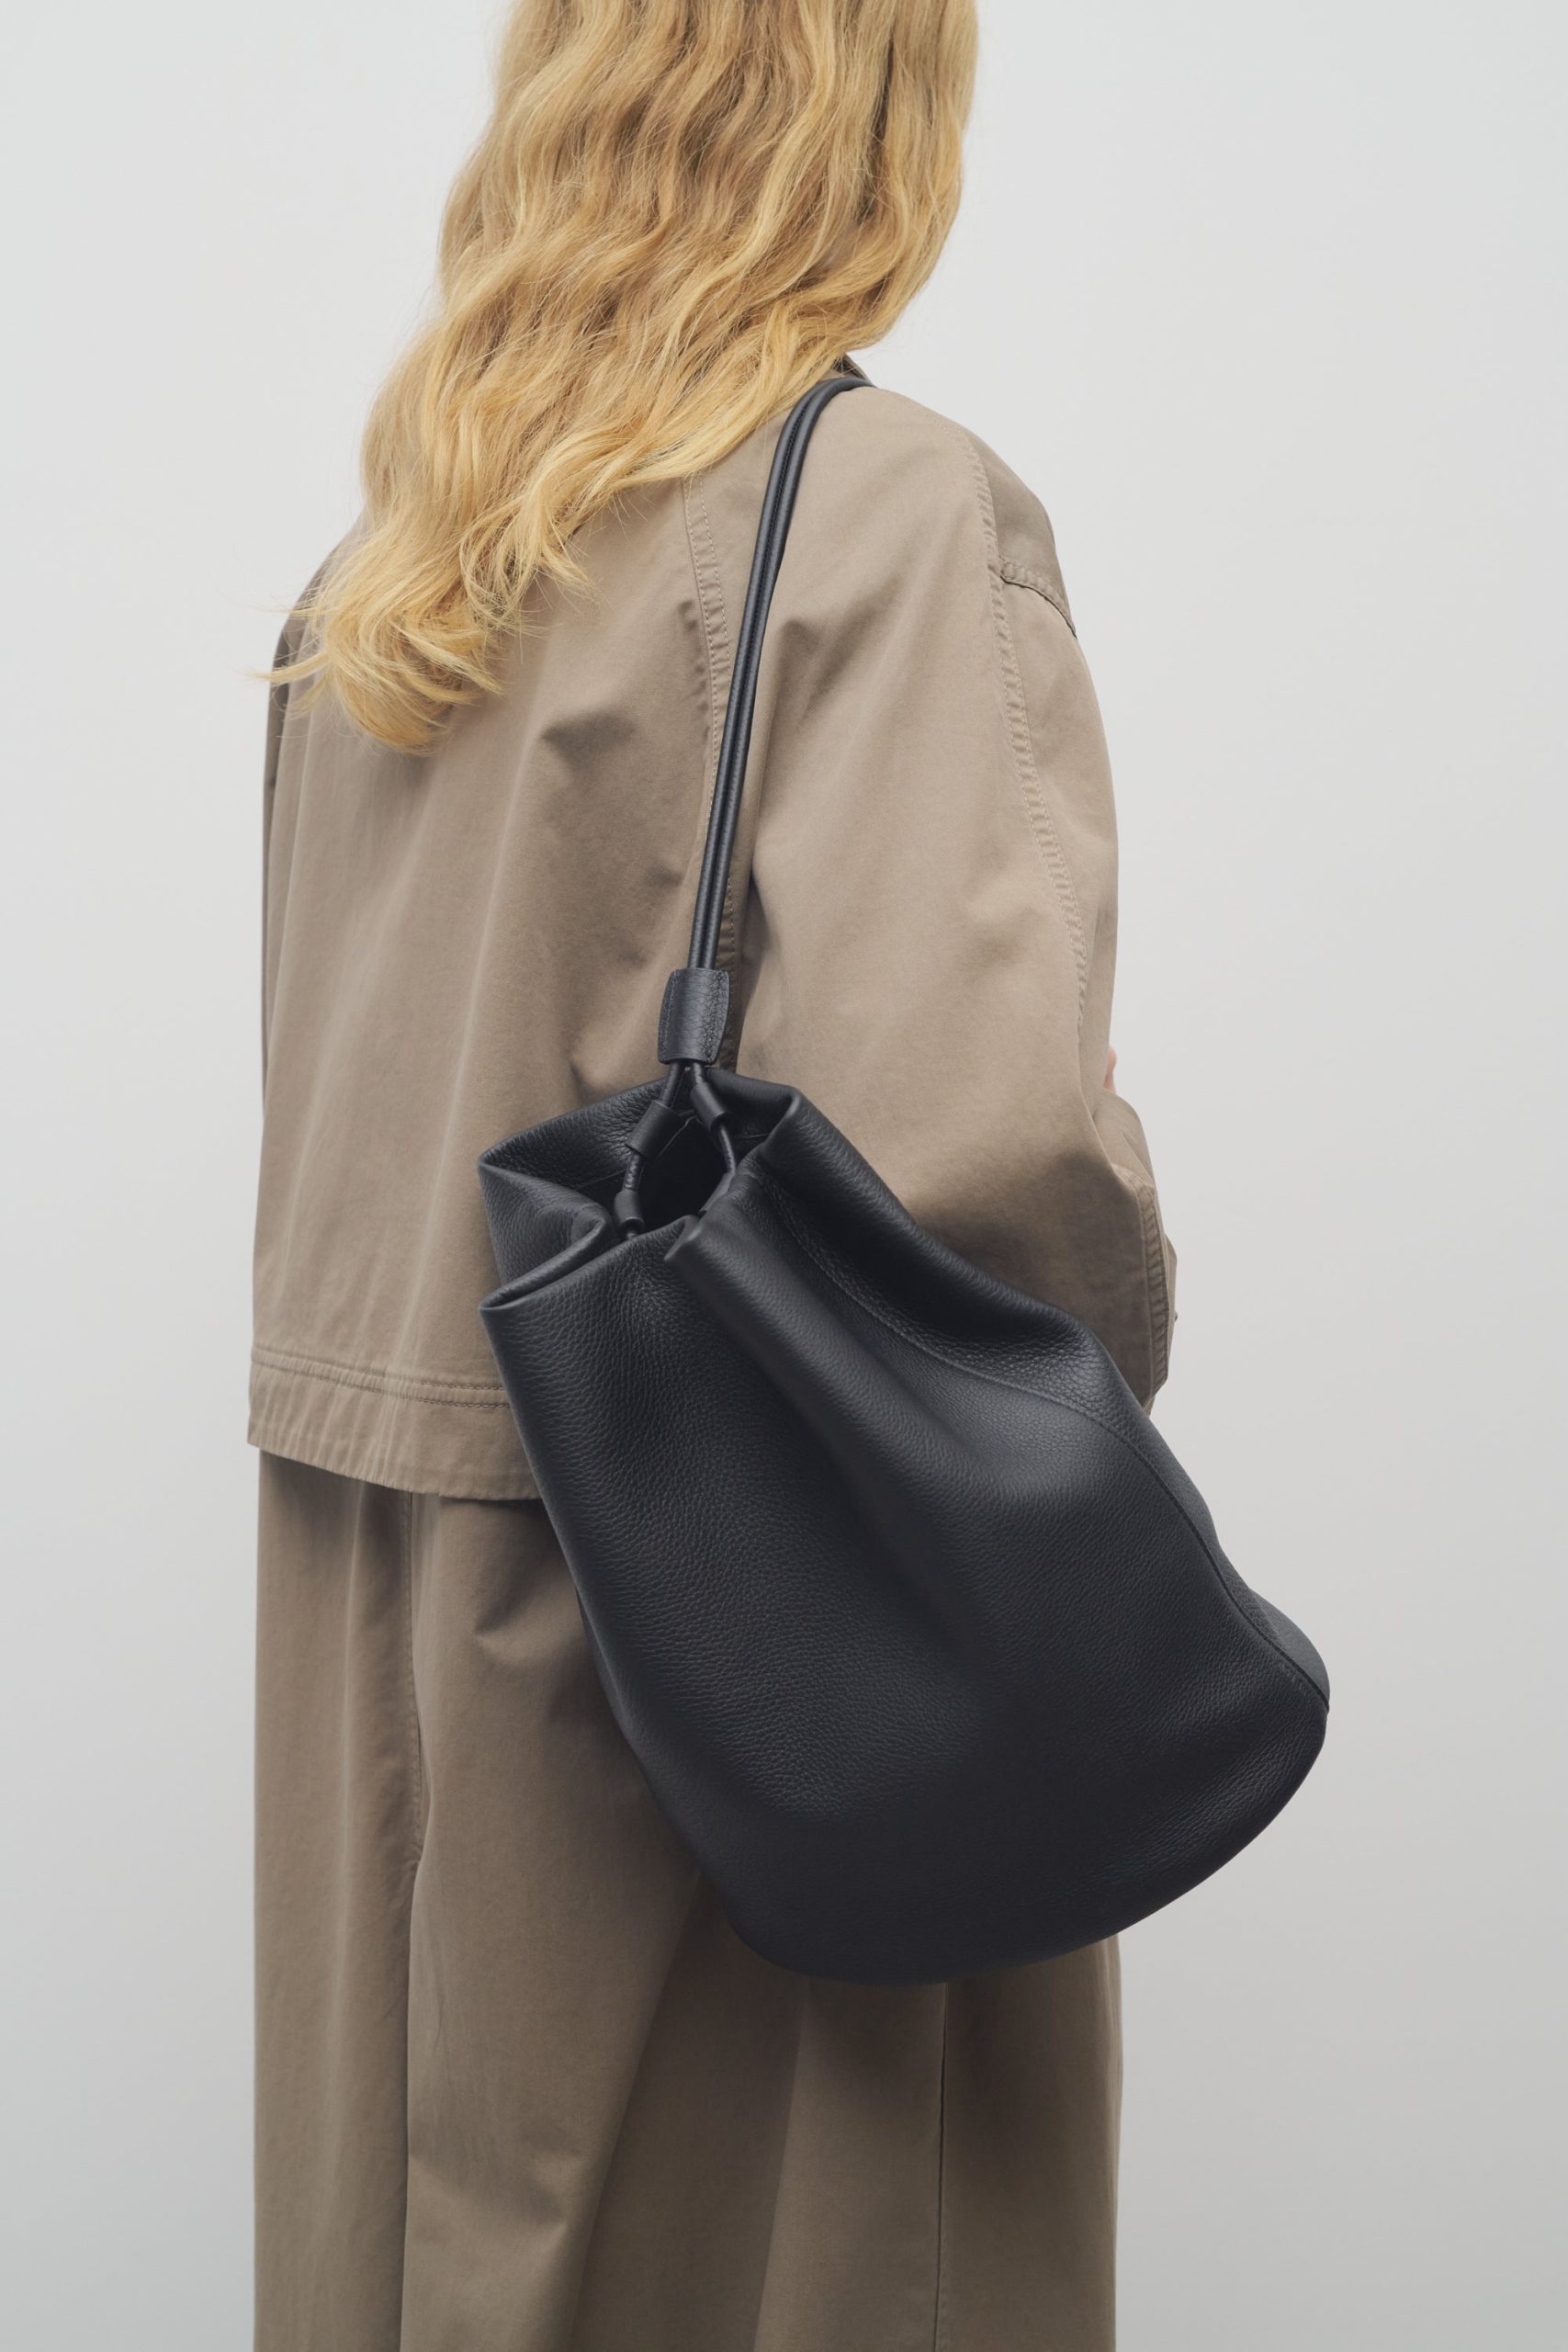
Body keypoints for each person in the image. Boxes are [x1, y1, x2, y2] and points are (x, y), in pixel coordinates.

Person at [252, 2, 1175, 2343]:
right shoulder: (880, 516)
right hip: (745, 1685)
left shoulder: (377, 586)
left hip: (390, 1671)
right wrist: (1114, 1243)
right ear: (878, 109)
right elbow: (984, 1172)